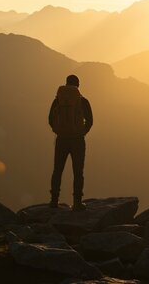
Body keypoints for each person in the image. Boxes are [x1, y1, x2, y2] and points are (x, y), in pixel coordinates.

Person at [48, 74, 93, 211]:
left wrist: (58, 131)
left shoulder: (58, 101)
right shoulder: (82, 101)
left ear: (66, 84)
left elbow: (50, 119)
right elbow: (90, 121)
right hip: (77, 140)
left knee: (57, 170)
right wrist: (81, 133)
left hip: (61, 139)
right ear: (78, 85)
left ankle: (54, 201)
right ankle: (77, 203)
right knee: (78, 172)